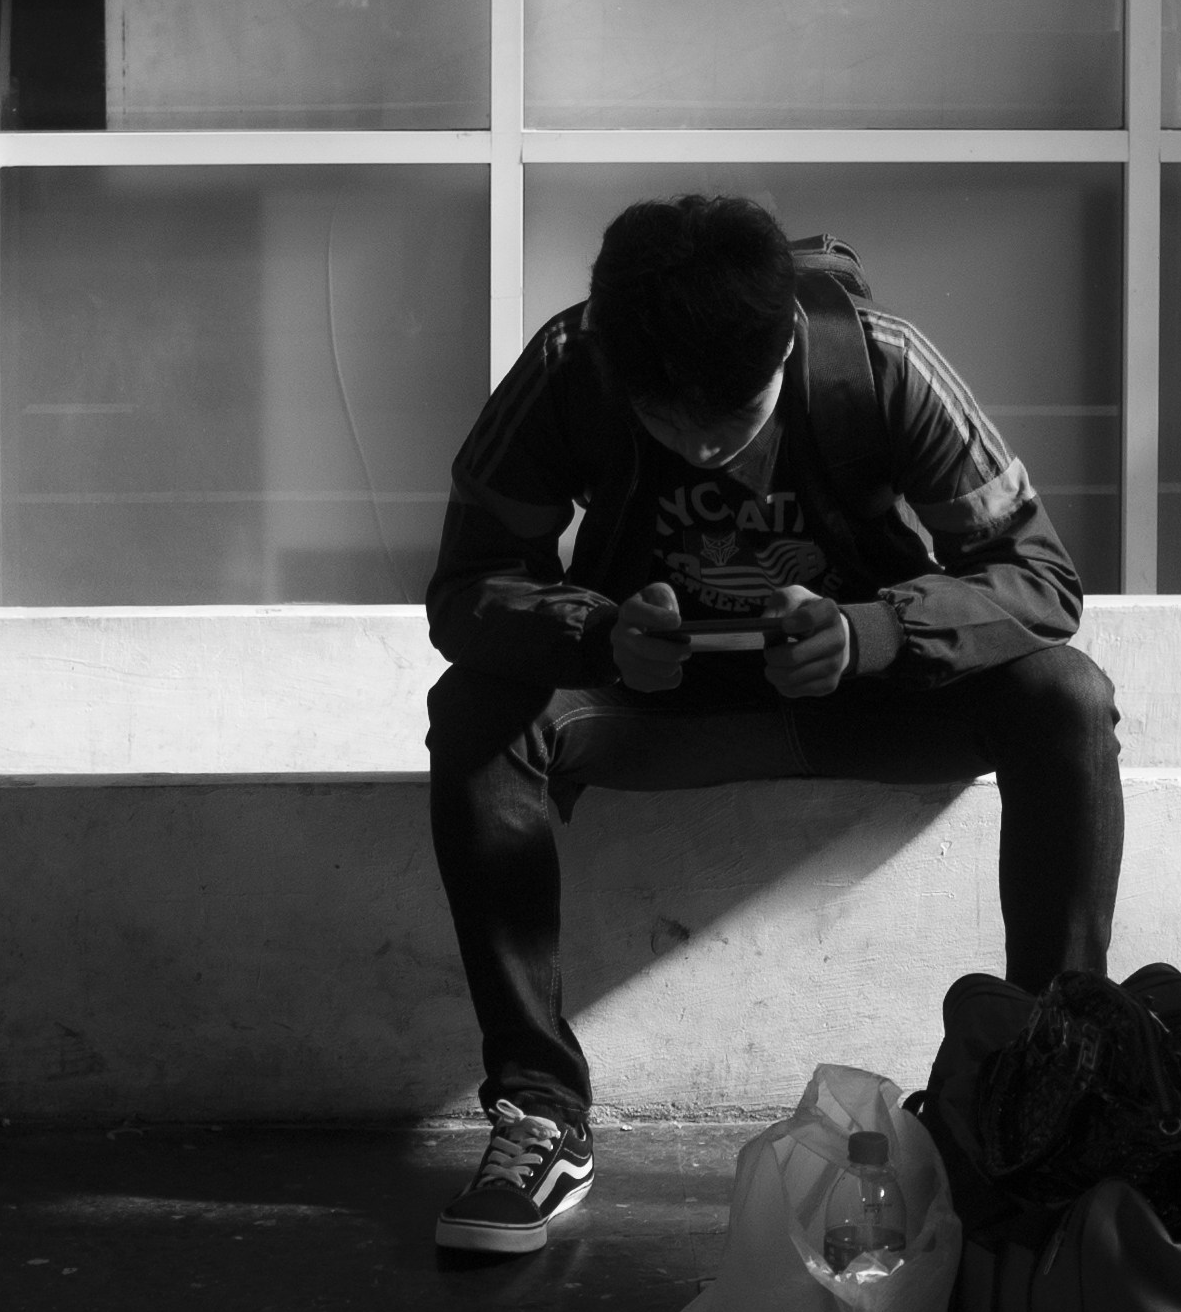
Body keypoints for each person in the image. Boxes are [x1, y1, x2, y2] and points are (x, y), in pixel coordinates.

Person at [420, 193, 1120, 1254]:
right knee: (470, 711)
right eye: (667, 419)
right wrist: (597, 634)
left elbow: (1040, 579)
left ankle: (1047, 1087)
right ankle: (539, 1112)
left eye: (730, 415)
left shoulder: (880, 363)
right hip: (648, 699)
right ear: (620, 370)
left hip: (864, 694)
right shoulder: (573, 364)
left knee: (1065, 696)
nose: (701, 448)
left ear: (785, 347)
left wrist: (876, 630)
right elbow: (466, 590)